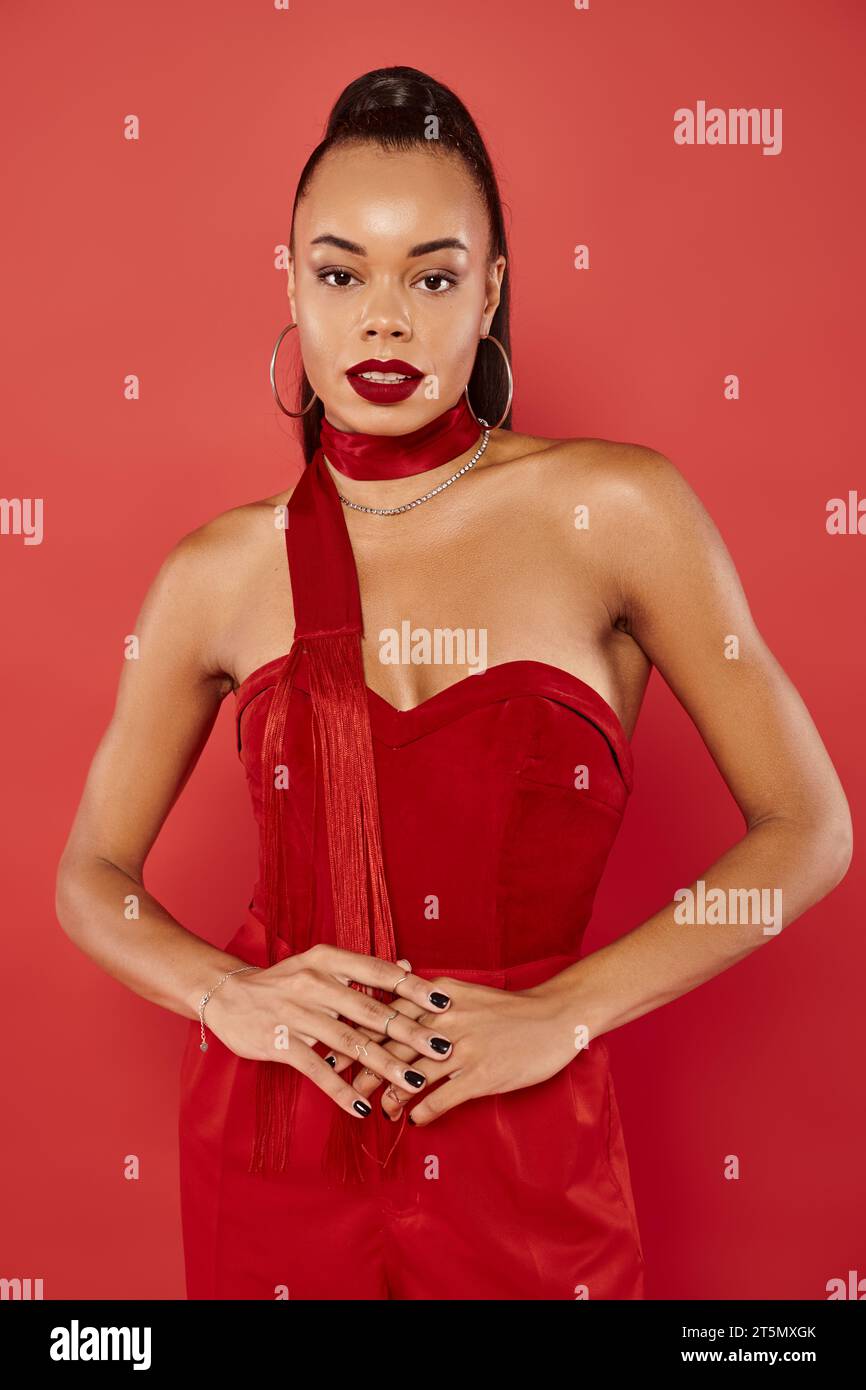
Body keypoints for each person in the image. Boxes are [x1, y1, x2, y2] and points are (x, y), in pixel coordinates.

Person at [56, 66, 852, 1301]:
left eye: (431, 276)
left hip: (526, 1144)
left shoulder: (618, 510)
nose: (384, 321)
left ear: (490, 290)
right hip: (274, 1139)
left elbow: (807, 830)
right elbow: (87, 874)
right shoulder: (219, 569)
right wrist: (229, 996)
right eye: (340, 274)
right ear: (291, 289)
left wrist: (563, 1014)